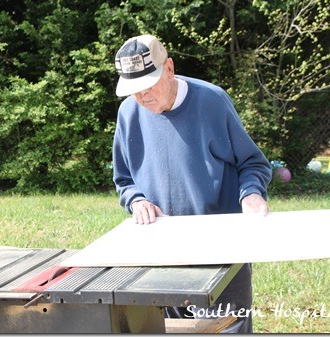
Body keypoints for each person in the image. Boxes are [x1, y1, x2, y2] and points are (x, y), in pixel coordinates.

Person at [111, 34, 272, 333]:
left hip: (221, 248)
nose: (143, 97)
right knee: (169, 329)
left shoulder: (212, 101)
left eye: (148, 86)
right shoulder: (128, 114)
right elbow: (124, 179)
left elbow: (252, 163)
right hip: (161, 249)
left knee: (228, 328)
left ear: (169, 68)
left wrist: (251, 193)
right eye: (134, 91)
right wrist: (136, 200)